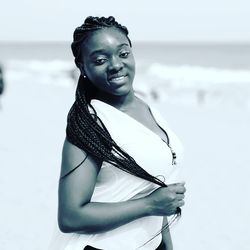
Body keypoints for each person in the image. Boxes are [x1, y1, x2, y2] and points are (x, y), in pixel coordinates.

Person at [50, 16, 186, 250]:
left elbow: (155, 188)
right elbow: (71, 216)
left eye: (123, 54)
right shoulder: (91, 124)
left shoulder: (146, 106)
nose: (115, 65)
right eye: (101, 59)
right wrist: (150, 205)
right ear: (82, 67)